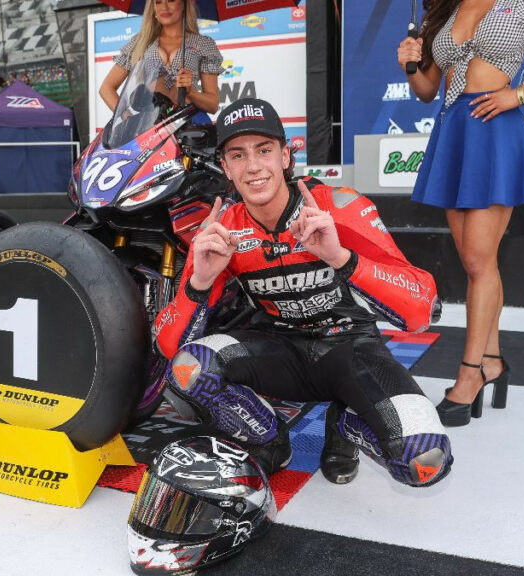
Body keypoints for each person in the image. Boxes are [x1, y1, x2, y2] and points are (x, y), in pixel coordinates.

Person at [155, 98, 452, 487]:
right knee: (186, 370)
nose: (254, 166)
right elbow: (167, 344)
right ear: (226, 168)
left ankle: (345, 425)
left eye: (264, 150)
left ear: (285, 156)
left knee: (424, 459)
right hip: (280, 351)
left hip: (351, 350)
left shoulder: (339, 205)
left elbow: (421, 310)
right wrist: (200, 282)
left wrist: (341, 258)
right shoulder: (222, 227)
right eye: (238, 155)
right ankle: (270, 440)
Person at [398, 0, 524, 426]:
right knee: (477, 264)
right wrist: (412, 67)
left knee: (476, 259)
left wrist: (518, 94)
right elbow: (428, 91)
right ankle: (491, 362)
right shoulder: (445, 13)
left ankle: (469, 375)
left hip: (496, 129)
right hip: (453, 132)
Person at [99, 0, 222, 118]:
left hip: (187, 125)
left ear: (184, 4)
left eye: (171, 0)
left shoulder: (203, 43)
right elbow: (106, 88)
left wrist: (191, 92)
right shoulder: (140, 42)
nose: (164, 7)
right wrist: (127, 116)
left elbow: (213, 105)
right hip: (148, 127)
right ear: (153, 8)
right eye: (158, 1)